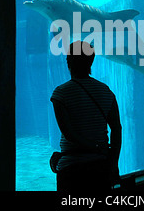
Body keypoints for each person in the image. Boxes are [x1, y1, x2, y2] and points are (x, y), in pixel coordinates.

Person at [50, 41, 122, 191]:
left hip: (71, 167)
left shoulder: (61, 93)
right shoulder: (106, 91)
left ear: (68, 61)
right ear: (91, 60)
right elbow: (116, 128)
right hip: (101, 166)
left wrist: (92, 148)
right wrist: (113, 161)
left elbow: (69, 133)